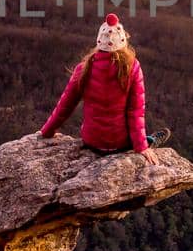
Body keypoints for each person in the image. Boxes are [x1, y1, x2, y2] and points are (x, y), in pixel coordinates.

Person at [39, 14, 170, 164]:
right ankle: (150, 140)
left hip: (92, 141)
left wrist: (47, 131)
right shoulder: (132, 68)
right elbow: (135, 112)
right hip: (120, 144)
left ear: (99, 41)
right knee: (140, 139)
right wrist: (142, 147)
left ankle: (147, 139)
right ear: (123, 42)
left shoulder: (84, 68)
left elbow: (65, 105)